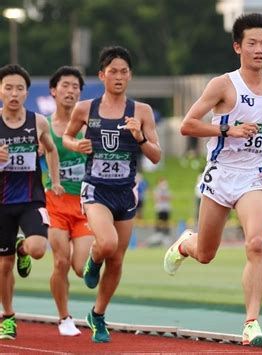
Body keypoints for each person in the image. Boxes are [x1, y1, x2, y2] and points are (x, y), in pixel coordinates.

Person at [163, 13, 262, 347]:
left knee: (256, 244)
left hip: (254, 175)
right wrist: (227, 128)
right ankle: (184, 244)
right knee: (206, 253)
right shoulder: (223, 85)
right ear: (238, 47)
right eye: (252, 44)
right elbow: (187, 125)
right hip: (220, 174)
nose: (259, 50)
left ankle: (251, 323)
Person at [63, 46, 161, 343]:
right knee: (106, 243)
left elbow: (156, 155)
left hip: (125, 192)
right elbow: (67, 136)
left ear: (130, 75)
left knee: (117, 260)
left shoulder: (140, 111)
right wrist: (75, 145)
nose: (118, 76)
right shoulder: (86, 108)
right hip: (95, 189)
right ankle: (93, 261)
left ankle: (98, 315)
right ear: (101, 75)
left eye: (124, 71)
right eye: (113, 71)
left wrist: (140, 137)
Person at [0, 64, 64, 340]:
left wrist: (55, 180)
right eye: (8, 88)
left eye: (19, 88)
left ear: (27, 92)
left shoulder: (38, 121)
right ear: (0, 91)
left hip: (31, 199)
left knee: (38, 248)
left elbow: (51, 149)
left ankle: (23, 250)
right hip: (2, 204)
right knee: (3, 265)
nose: (14, 93)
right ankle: (8, 317)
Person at [46, 66, 94, 336]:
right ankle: (64, 317)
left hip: (85, 203)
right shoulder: (43, 126)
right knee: (61, 262)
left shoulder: (90, 127)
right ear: (53, 91)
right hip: (54, 202)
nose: (70, 90)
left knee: (79, 268)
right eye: (65, 85)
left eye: (75, 86)